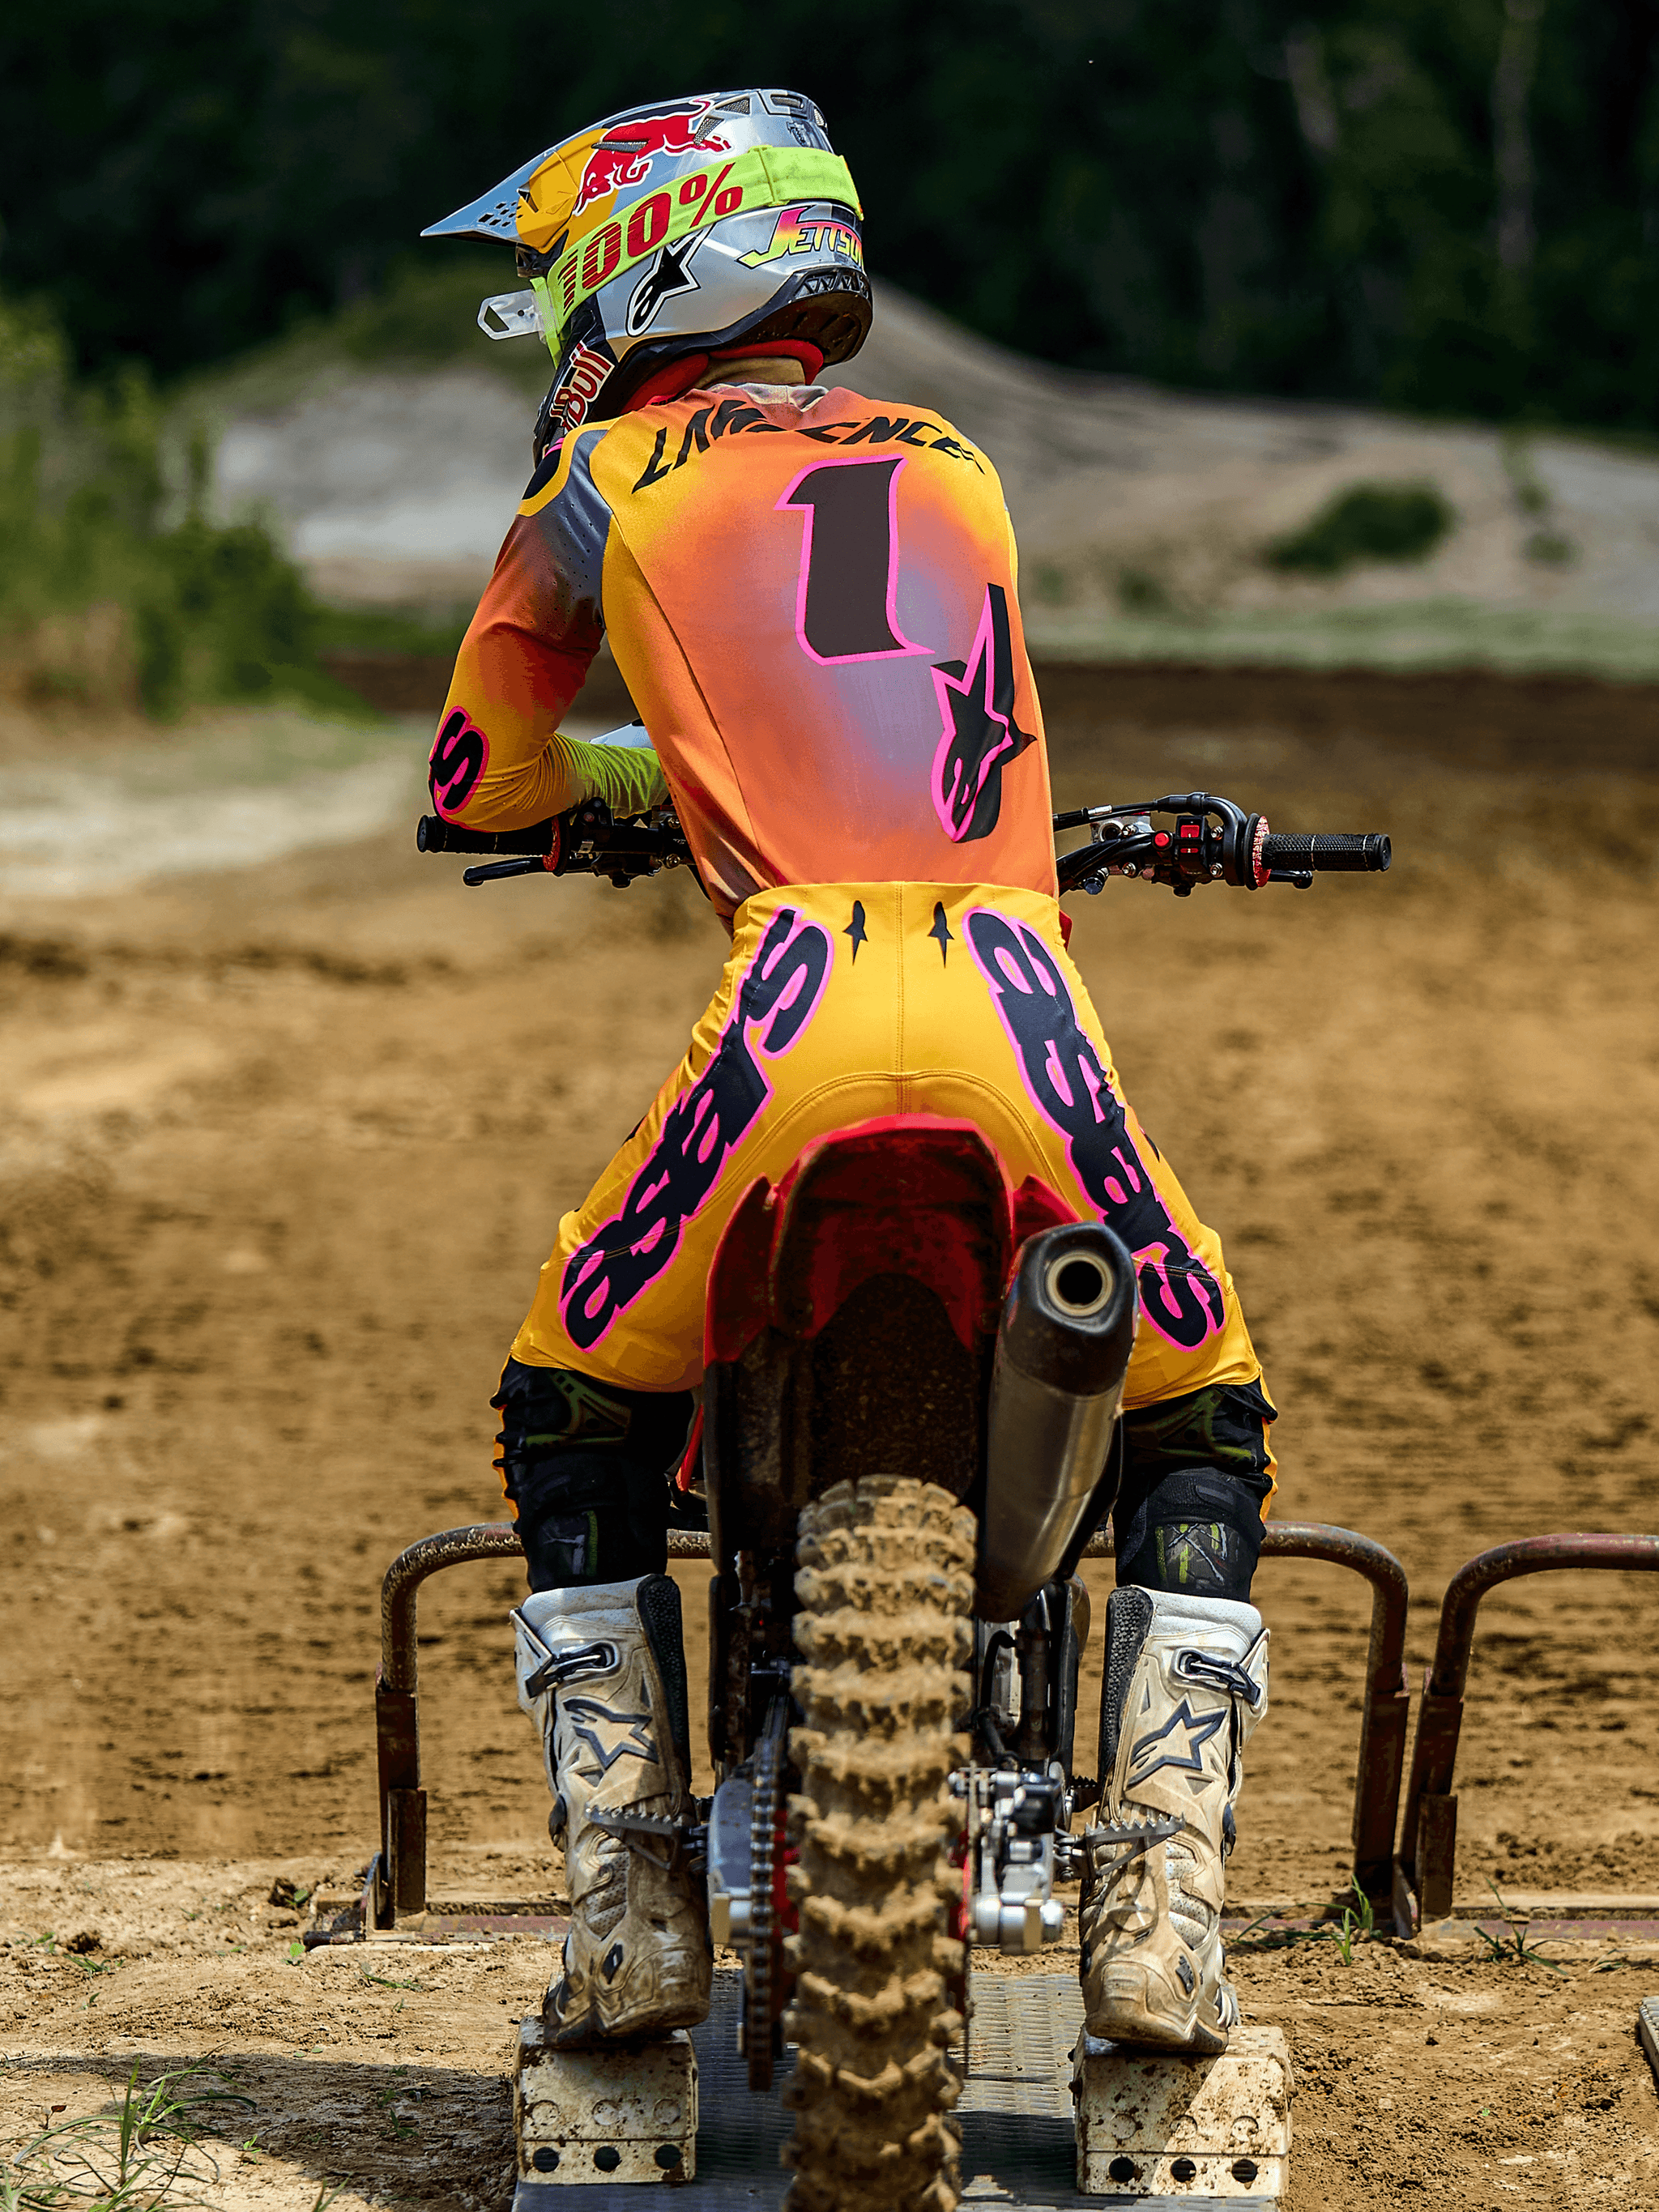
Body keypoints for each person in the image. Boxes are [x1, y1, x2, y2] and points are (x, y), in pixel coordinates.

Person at [422, 88, 1276, 2058]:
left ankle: (630, 1895)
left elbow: (487, 782)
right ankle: (1159, 1903)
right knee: (1201, 1411)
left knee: (571, 1406)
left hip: (790, 1004)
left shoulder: (596, 480)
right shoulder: (954, 454)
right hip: (1015, 995)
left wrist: (651, 782)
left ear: (649, 262)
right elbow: (932, 721)